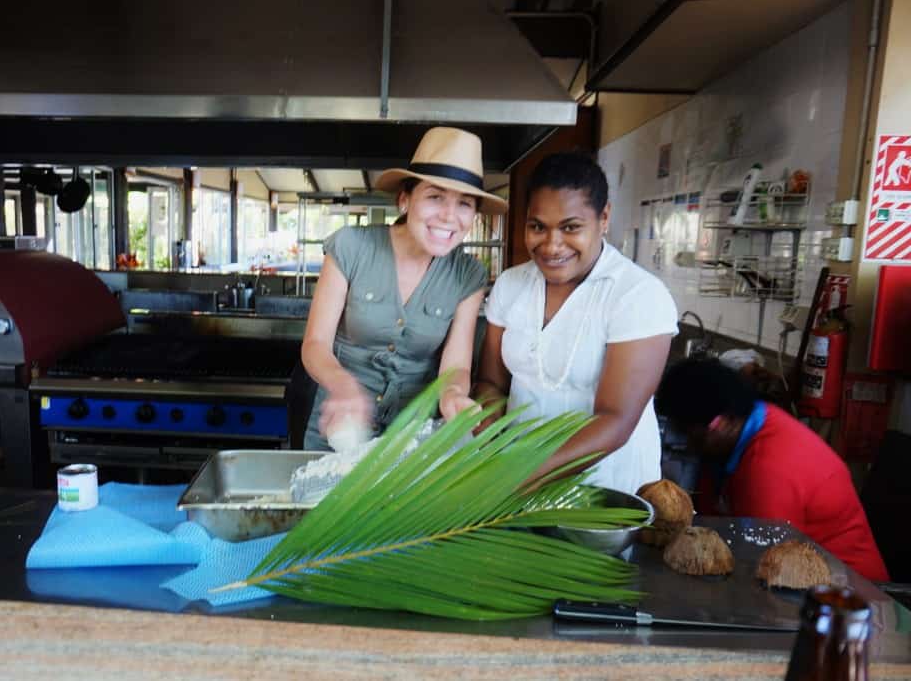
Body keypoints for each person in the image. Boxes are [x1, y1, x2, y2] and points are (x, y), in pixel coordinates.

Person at [473, 153, 678, 494]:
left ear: (604, 218)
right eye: (537, 226)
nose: (552, 245)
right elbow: (491, 381)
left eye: (571, 227)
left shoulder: (636, 295)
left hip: (605, 490)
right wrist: (488, 422)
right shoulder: (511, 285)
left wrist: (522, 475)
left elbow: (615, 419)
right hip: (514, 481)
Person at [301, 127, 507, 451]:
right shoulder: (351, 247)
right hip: (338, 430)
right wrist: (343, 386)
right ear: (405, 200)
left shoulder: (469, 275)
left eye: (465, 204)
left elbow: (456, 367)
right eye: (435, 197)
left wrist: (453, 394)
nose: (449, 217)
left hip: (412, 443)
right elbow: (315, 344)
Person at [656, 358, 890, 582]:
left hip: (846, 593)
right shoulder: (729, 437)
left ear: (722, 422)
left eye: (688, 433)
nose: (686, 443)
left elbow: (767, 568)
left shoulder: (770, 468)